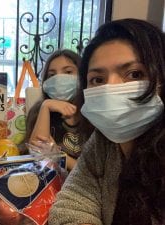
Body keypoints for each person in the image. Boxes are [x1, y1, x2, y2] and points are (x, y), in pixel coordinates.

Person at [48, 18, 165, 225]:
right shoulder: (103, 142)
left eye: (134, 74)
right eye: (98, 80)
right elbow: (72, 202)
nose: (110, 88)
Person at [25, 49, 83, 170]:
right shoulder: (39, 110)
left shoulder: (92, 115)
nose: (59, 79)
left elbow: (91, 174)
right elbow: (37, 155)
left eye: (68, 72)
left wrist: (60, 157)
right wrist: (46, 106)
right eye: (52, 75)